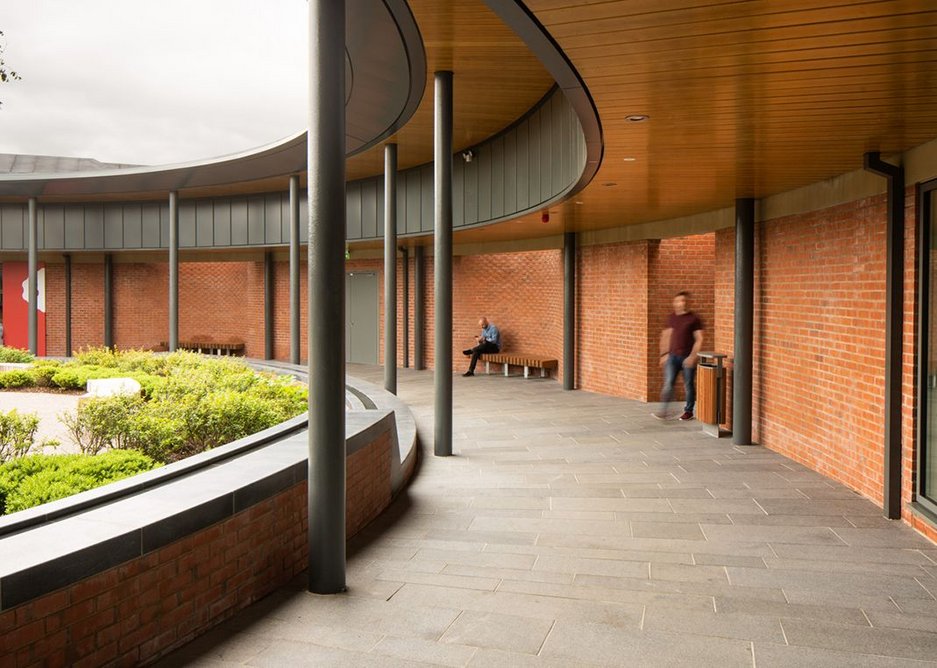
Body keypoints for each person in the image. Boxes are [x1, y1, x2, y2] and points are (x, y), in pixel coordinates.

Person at [655, 291, 704, 421]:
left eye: (684, 300)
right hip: (672, 357)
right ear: (674, 303)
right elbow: (666, 335)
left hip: (687, 358)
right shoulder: (672, 317)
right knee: (668, 383)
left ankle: (688, 412)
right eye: (679, 301)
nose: (681, 303)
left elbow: (699, 339)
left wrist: (693, 357)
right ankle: (664, 411)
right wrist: (663, 354)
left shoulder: (694, 318)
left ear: (688, 302)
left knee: (688, 385)